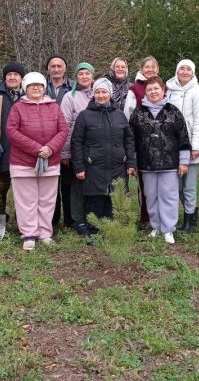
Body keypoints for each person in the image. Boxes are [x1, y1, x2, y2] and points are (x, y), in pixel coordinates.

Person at [6, 72, 68, 251]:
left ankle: (45, 232)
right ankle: (29, 234)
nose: (36, 88)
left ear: (44, 88)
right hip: (23, 162)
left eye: (39, 85)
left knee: (47, 200)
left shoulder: (54, 107)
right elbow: (12, 131)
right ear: (26, 88)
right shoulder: (18, 108)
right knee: (27, 200)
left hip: (50, 160)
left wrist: (49, 148)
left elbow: (63, 130)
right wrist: (36, 149)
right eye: (32, 85)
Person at [130, 76, 191, 245]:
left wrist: (184, 161)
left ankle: (168, 229)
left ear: (163, 89)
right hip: (146, 163)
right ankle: (155, 226)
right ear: (146, 92)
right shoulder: (138, 113)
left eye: (156, 88)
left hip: (169, 163)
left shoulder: (173, 111)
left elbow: (183, 137)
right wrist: (132, 162)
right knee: (151, 196)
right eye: (149, 90)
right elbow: (131, 139)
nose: (153, 92)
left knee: (169, 196)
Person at [71, 77, 136, 221]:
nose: (101, 95)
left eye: (104, 92)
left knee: (114, 199)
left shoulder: (119, 115)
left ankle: (112, 231)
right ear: (94, 94)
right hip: (93, 166)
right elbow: (76, 142)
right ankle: (93, 232)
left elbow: (128, 140)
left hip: (117, 165)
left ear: (110, 94)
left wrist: (131, 163)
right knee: (95, 200)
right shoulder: (84, 116)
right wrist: (79, 167)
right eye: (98, 92)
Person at [166, 59, 199, 233]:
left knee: (189, 185)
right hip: (172, 146)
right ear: (177, 71)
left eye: (188, 69)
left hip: (190, 145)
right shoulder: (169, 91)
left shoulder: (197, 91)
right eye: (181, 68)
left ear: (193, 73)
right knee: (176, 186)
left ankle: (190, 220)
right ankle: (177, 218)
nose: (184, 72)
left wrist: (196, 146)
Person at [0, 61, 26, 220]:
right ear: (4, 77)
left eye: (16, 74)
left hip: (22, 153)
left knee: (23, 190)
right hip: (1, 151)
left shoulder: (27, 96)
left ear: (21, 78)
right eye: (9, 74)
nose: (12, 77)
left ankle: (22, 220)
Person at [60, 62, 96, 235]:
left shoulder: (99, 94)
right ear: (76, 76)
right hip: (77, 147)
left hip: (96, 149)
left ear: (92, 76)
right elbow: (65, 125)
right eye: (81, 74)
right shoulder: (70, 97)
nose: (84, 77)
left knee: (93, 184)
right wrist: (65, 152)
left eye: (87, 74)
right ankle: (77, 219)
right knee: (77, 184)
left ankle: (92, 217)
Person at [124, 56, 160, 225]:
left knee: (161, 181)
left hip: (161, 141)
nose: (150, 70)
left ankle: (161, 215)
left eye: (153, 67)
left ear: (157, 69)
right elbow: (128, 116)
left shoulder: (163, 87)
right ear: (141, 69)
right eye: (147, 67)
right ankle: (145, 216)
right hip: (141, 140)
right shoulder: (134, 89)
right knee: (145, 180)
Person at [45, 55, 73, 227]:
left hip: (67, 141)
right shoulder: (41, 87)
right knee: (50, 187)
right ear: (48, 69)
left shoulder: (73, 88)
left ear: (65, 69)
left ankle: (70, 220)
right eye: (52, 66)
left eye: (59, 66)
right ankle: (52, 220)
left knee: (68, 184)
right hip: (46, 144)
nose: (56, 69)